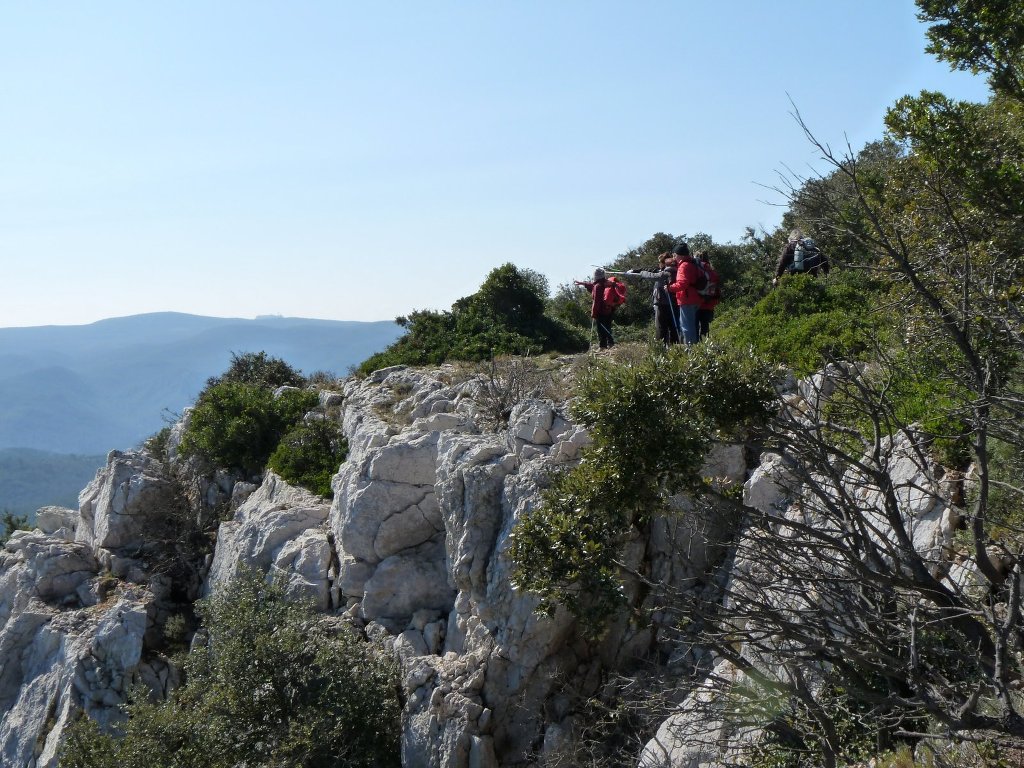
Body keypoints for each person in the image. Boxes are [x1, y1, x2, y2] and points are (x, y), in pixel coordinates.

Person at [627, 252, 680, 345]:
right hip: (675, 303)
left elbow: (651, 275)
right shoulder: (676, 271)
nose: (659, 264)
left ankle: (661, 348)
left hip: (662, 303)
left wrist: (641, 273)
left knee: (661, 327)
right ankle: (674, 348)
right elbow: (650, 269)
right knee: (673, 327)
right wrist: (636, 270)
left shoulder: (665, 273)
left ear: (665, 263)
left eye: (661, 262)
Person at [668, 242, 702, 345]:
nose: (674, 258)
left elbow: (683, 284)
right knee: (693, 326)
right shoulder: (693, 263)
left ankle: (690, 352)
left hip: (687, 299)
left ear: (680, 255)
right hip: (696, 298)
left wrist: (670, 288)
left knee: (686, 327)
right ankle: (696, 350)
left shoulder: (683, 266)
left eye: (675, 255)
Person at [575, 268, 616, 349]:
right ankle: (611, 343)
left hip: (601, 311)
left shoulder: (598, 286)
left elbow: (596, 301)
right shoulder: (607, 283)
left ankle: (603, 346)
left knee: (601, 329)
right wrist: (583, 283)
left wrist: (594, 313)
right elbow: (592, 285)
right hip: (609, 309)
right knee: (607, 327)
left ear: (596, 276)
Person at [694, 251, 720, 340]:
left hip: (697, 302)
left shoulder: (697, 270)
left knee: (695, 326)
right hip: (709, 303)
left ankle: (695, 345)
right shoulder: (712, 271)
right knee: (705, 326)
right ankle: (705, 345)